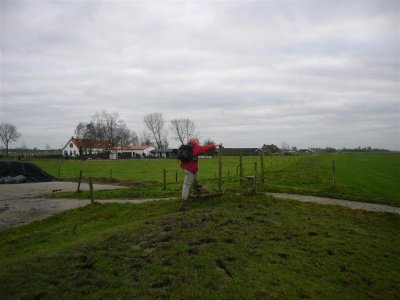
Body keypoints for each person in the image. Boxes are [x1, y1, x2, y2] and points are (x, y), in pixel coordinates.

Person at [180, 138, 223, 210]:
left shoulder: (187, 147)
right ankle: (183, 203)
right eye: (198, 141)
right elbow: (206, 148)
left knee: (195, 180)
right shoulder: (196, 147)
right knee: (186, 185)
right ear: (195, 141)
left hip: (188, 168)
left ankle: (196, 187)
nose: (198, 142)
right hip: (191, 170)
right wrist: (217, 145)